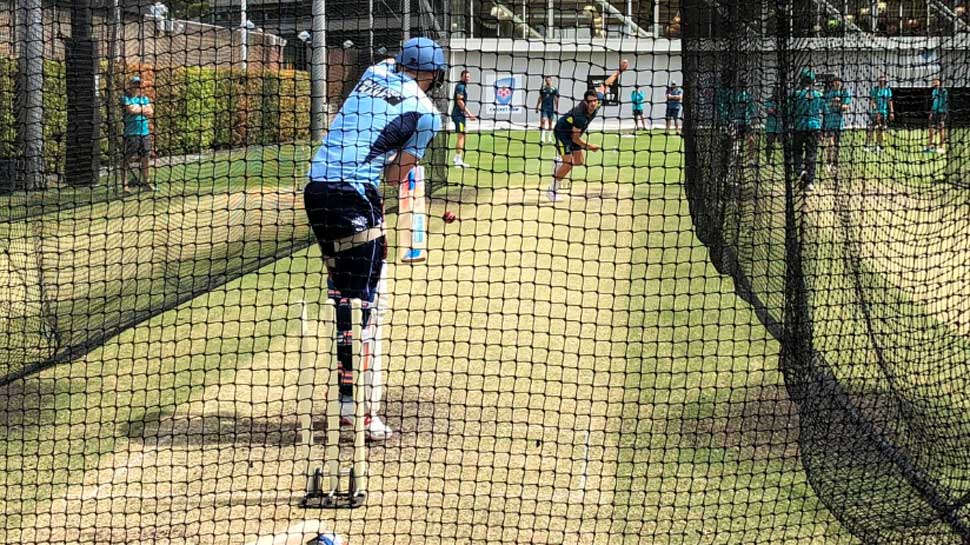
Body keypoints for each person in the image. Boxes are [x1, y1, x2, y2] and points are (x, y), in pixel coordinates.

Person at [304, 36, 446, 441]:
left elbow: (387, 61)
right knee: (364, 307)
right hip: (354, 195)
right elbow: (395, 176)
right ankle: (358, 410)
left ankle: (352, 399)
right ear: (435, 76)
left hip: (316, 190)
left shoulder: (373, 73)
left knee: (346, 297)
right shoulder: (426, 114)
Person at [546, 59, 628, 202]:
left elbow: (606, 84)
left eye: (594, 101)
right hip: (562, 133)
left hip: (573, 133)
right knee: (569, 163)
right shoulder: (580, 115)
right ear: (585, 102)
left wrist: (619, 71)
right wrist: (590, 147)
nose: (592, 104)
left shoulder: (599, 101)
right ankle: (552, 189)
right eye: (589, 102)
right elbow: (575, 139)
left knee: (579, 161)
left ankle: (559, 163)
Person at [790, 68, 824, 191]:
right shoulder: (818, 95)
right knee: (812, 154)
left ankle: (799, 171)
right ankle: (809, 181)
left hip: (799, 126)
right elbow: (824, 110)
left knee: (797, 152)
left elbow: (790, 111)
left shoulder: (796, 95)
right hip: (814, 127)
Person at [122, 76, 156, 192]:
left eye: (138, 85)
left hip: (144, 133)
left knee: (146, 158)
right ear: (130, 85)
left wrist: (138, 108)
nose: (136, 87)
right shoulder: (125, 98)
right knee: (128, 158)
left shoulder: (144, 98)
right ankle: (124, 185)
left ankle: (146, 183)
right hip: (131, 133)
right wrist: (142, 109)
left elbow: (150, 112)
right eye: (134, 84)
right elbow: (131, 110)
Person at [821, 76, 852, 174]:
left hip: (839, 123)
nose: (837, 84)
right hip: (829, 122)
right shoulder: (828, 93)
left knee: (837, 145)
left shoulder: (844, 93)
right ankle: (828, 162)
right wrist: (832, 104)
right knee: (830, 143)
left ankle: (835, 163)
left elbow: (846, 107)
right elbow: (823, 106)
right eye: (835, 82)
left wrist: (839, 104)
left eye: (839, 82)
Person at [451, 69, 476, 168]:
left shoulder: (464, 86)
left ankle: (457, 157)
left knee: (464, 135)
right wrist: (469, 114)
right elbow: (460, 102)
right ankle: (458, 160)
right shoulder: (460, 86)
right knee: (461, 136)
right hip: (458, 115)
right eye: (466, 77)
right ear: (461, 77)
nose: (467, 79)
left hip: (461, 115)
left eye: (469, 77)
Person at [866, 75, 894, 153]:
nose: (882, 83)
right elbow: (872, 102)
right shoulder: (875, 90)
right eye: (880, 81)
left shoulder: (887, 90)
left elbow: (890, 101)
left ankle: (879, 146)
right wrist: (876, 111)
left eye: (883, 81)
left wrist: (891, 112)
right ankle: (867, 145)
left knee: (880, 129)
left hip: (884, 113)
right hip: (875, 113)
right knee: (871, 128)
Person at [536, 76, 560, 143]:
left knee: (550, 123)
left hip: (551, 108)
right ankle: (542, 139)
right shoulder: (543, 89)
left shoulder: (554, 89)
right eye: (546, 80)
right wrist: (537, 106)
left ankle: (549, 138)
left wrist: (557, 108)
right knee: (543, 121)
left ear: (551, 81)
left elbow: (556, 99)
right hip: (544, 108)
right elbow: (540, 97)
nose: (547, 82)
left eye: (549, 80)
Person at [927, 78, 948, 153]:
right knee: (931, 128)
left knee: (941, 128)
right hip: (934, 112)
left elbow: (945, 102)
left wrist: (944, 112)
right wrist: (931, 112)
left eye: (936, 81)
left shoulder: (943, 91)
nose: (934, 83)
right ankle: (931, 147)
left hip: (941, 112)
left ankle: (942, 147)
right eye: (933, 81)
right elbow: (933, 102)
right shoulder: (933, 91)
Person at [762, 89, 782, 161]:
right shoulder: (768, 101)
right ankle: (768, 160)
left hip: (780, 126)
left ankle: (783, 159)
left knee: (783, 144)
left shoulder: (782, 101)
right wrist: (775, 112)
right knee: (769, 144)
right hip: (770, 126)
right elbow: (768, 110)